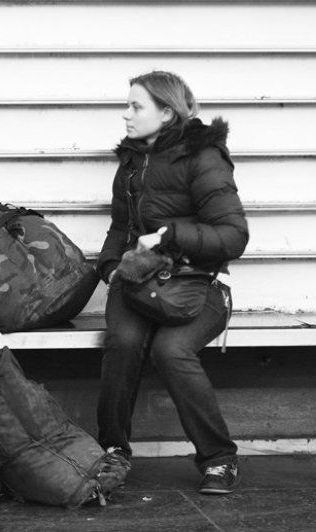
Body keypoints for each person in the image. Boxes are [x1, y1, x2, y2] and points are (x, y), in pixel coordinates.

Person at [95, 71, 249, 494]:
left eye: (136, 106)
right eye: (127, 105)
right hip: (138, 282)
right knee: (123, 343)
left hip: (196, 285)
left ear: (166, 112)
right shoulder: (132, 160)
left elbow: (234, 236)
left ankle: (219, 459)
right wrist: (111, 268)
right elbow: (120, 228)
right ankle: (112, 450)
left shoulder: (203, 157)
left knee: (171, 349)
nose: (126, 114)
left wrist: (170, 235)